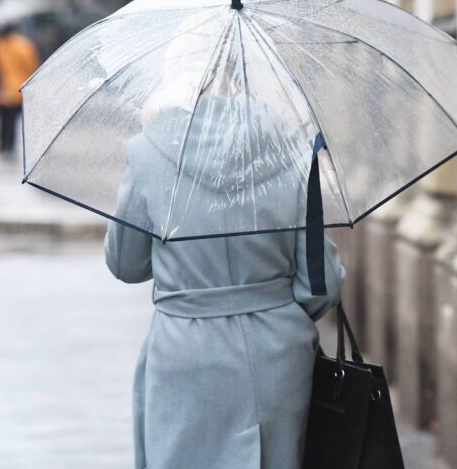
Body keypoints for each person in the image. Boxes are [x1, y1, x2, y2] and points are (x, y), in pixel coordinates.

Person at [103, 97, 346, 469]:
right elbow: (321, 283)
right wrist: (273, 304)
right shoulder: (291, 151)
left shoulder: (147, 150)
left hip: (183, 350)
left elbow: (126, 264)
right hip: (275, 354)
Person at [0, 23, 39, 159]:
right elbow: (31, 66)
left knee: (4, 119)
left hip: (1, 89)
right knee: (11, 119)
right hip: (17, 88)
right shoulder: (24, 45)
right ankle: (8, 146)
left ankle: (3, 145)